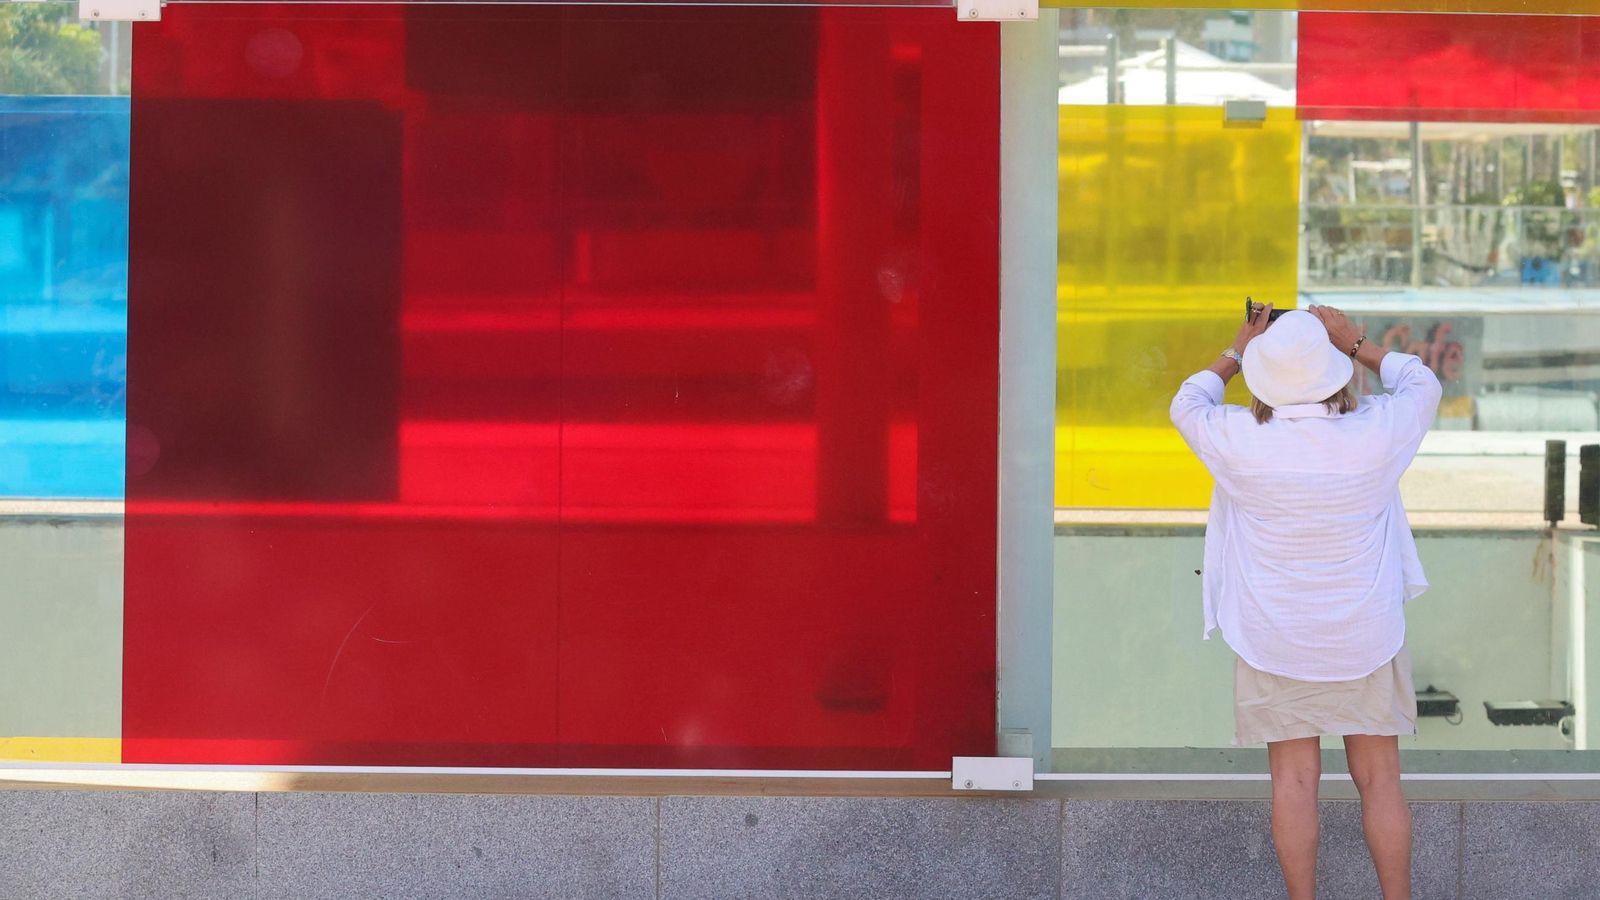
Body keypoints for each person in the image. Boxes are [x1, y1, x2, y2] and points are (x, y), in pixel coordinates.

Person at [1169, 303, 1443, 900]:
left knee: (1293, 783)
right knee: (1381, 781)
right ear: (1335, 368)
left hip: (1273, 636)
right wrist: (1359, 343)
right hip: (1367, 635)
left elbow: (1187, 401)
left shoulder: (1238, 439)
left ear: (1264, 374)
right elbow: (1422, 381)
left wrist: (1239, 347)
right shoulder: (1377, 432)